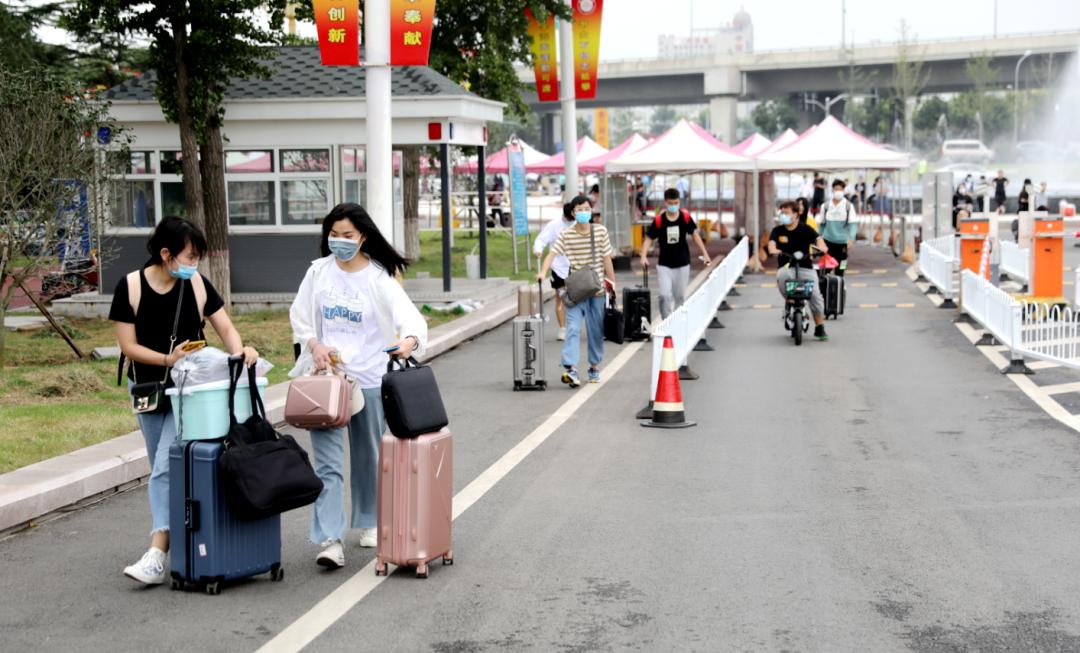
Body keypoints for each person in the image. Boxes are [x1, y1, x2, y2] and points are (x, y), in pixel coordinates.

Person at [110, 217, 259, 585]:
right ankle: (186, 539)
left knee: (164, 468)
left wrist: (238, 355)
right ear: (165, 254)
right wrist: (166, 360)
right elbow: (127, 347)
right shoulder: (130, 287)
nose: (194, 264)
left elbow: (225, 327)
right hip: (149, 391)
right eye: (189, 256)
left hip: (192, 392)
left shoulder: (195, 283)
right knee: (165, 468)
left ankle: (157, 552)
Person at [289, 203, 428, 569]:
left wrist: (411, 341)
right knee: (328, 464)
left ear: (363, 236)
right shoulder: (318, 273)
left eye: (347, 236)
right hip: (326, 384)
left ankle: (369, 522)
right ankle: (330, 538)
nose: (339, 242)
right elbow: (300, 317)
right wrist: (314, 344)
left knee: (369, 458)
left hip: (367, 379)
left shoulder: (378, 277)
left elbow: (409, 316)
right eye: (333, 235)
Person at [537, 195, 616, 388]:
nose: (583, 213)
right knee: (572, 328)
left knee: (595, 331)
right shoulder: (566, 235)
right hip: (575, 290)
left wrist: (612, 283)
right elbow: (552, 255)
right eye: (579, 209)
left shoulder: (600, 231)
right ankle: (571, 369)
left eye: (587, 209)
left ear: (591, 211)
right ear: (573, 213)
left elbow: (607, 258)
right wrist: (542, 272)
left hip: (596, 290)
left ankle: (594, 367)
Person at [639, 188, 712, 319]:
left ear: (679, 202)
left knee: (679, 297)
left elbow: (695, 235)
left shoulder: (685, 218)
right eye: (671, 203)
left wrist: (705, 253)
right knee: (665, 295)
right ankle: (666, 322)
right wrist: (643, 256)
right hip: (664, 265)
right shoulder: (659, 221)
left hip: (682, 264)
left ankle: (678, 322)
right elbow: (649, 238)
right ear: (665, 203)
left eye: (676, 202)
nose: (673, 205)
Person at [768, 201, 830, 342]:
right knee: (781, 276)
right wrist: (774, 250)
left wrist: (822, 248)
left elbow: (819, 240)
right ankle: (789, 300)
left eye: (787, 213)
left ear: (796, 215)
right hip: (787, 266)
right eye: (782, 213)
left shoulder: (806, 229)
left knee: (815, 296)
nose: (783, 216)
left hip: (805, 267)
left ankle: (820, 326)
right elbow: (771, 245)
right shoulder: (777, 231)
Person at [534, 201, 575, 340]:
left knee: (577, 298)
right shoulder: (554, 225)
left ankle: (573, 326)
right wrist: (538, 250)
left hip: (576, 266)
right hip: (558, 267)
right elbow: (541, 240)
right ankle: (562, 328)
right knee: (561, 299)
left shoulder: (579, 225)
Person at [819, 179, 858, 277]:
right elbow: (822, 224)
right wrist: (820, 239)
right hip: (828, 242)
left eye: (841, 189)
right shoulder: (825, 206)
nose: (838, 191)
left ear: (844, 190)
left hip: (843, 244)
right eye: (836, 189)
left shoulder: (849, 206)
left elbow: (853, 224)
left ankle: (841, 281)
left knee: (842, 266)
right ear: (832, 190)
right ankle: (824, 289)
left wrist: (851, 238)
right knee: (825, 270)